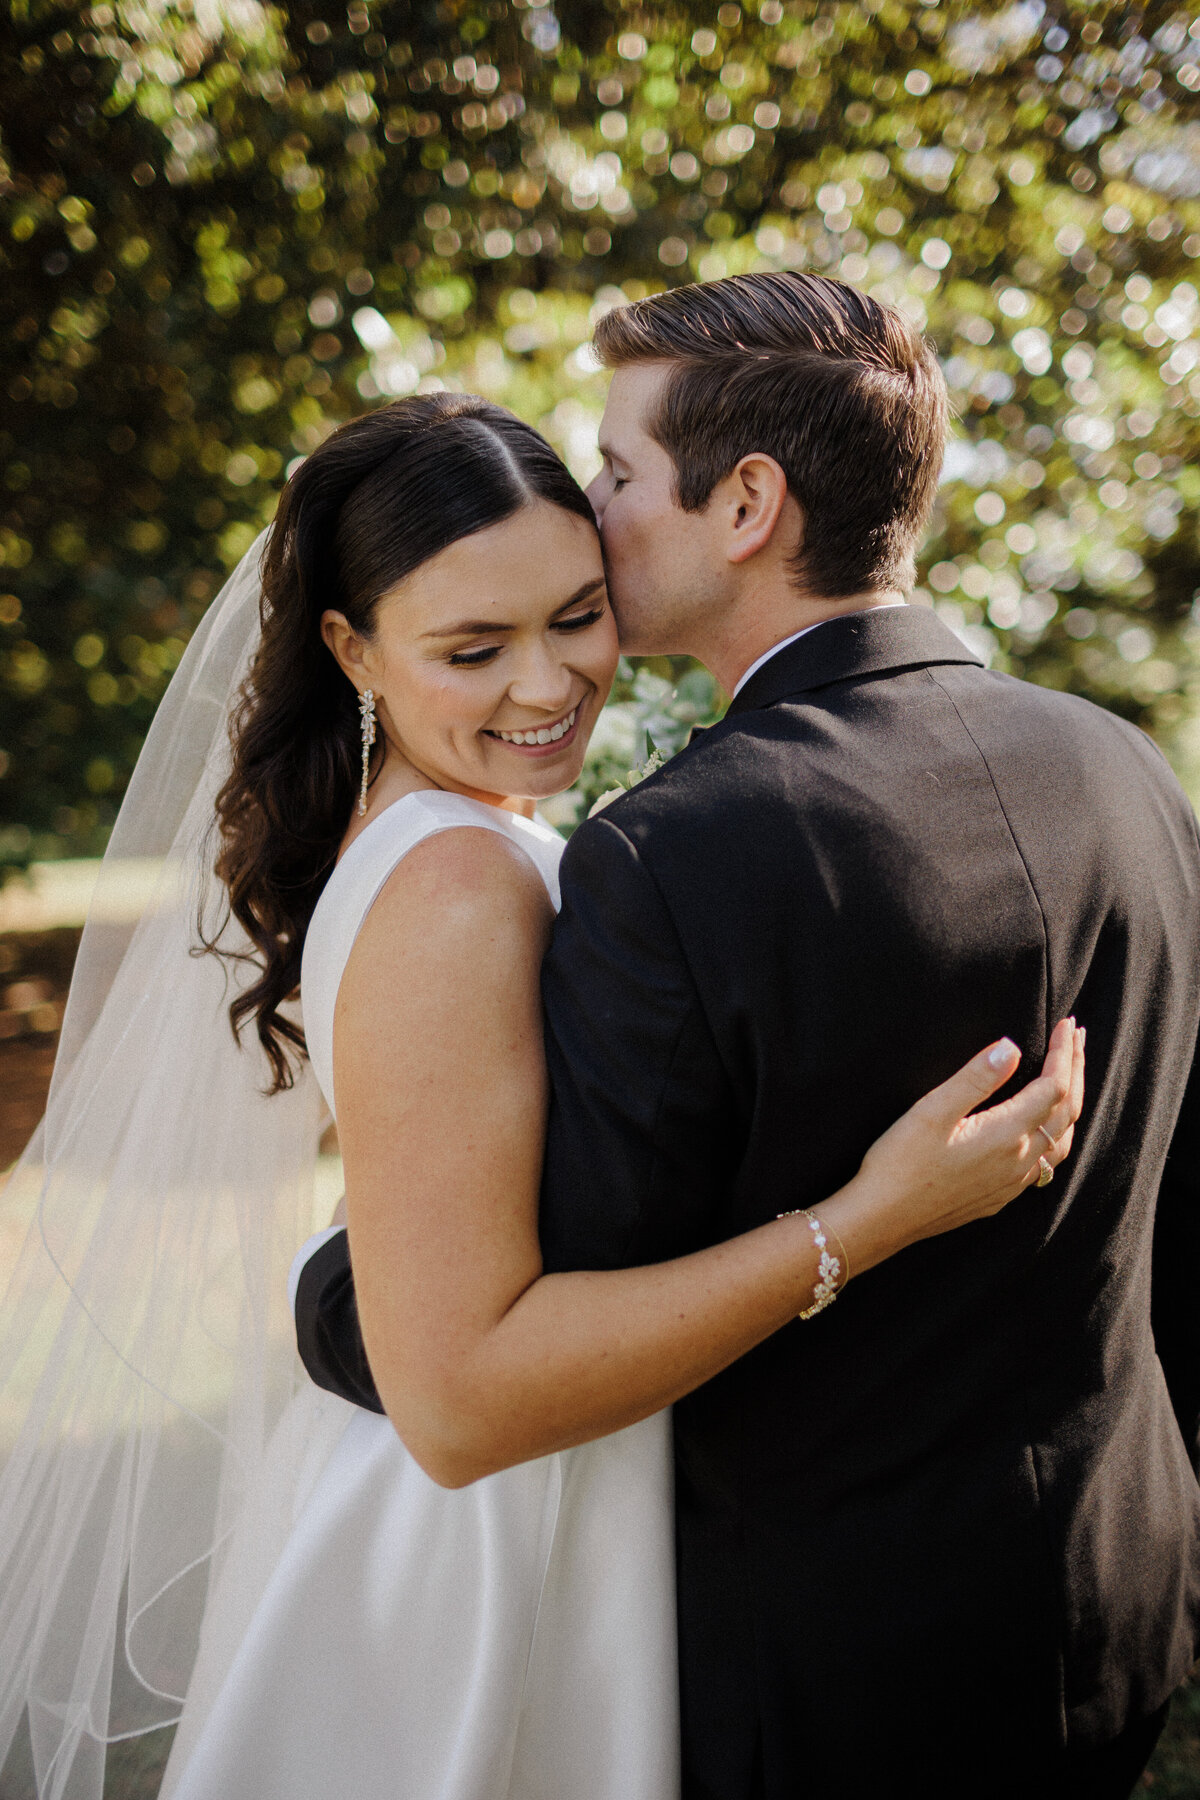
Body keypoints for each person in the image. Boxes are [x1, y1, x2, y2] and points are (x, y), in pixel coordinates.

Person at [0, 386, 1081, 1800]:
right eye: (473, 648)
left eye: (578, 616)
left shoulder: (452, 830)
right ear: (352, 648)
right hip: (481, 1551)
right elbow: (458, 1403)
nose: (547, 683)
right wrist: (867, 1221)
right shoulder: (455, 880)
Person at [298, 274, 1200, 1800]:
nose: (593, 507)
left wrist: (337, 1294)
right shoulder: (1123, 768)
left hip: (830, 1659)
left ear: (748, 504)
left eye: (619, 468)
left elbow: (512, 1314)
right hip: (1115, 1587)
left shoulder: (681, 852)